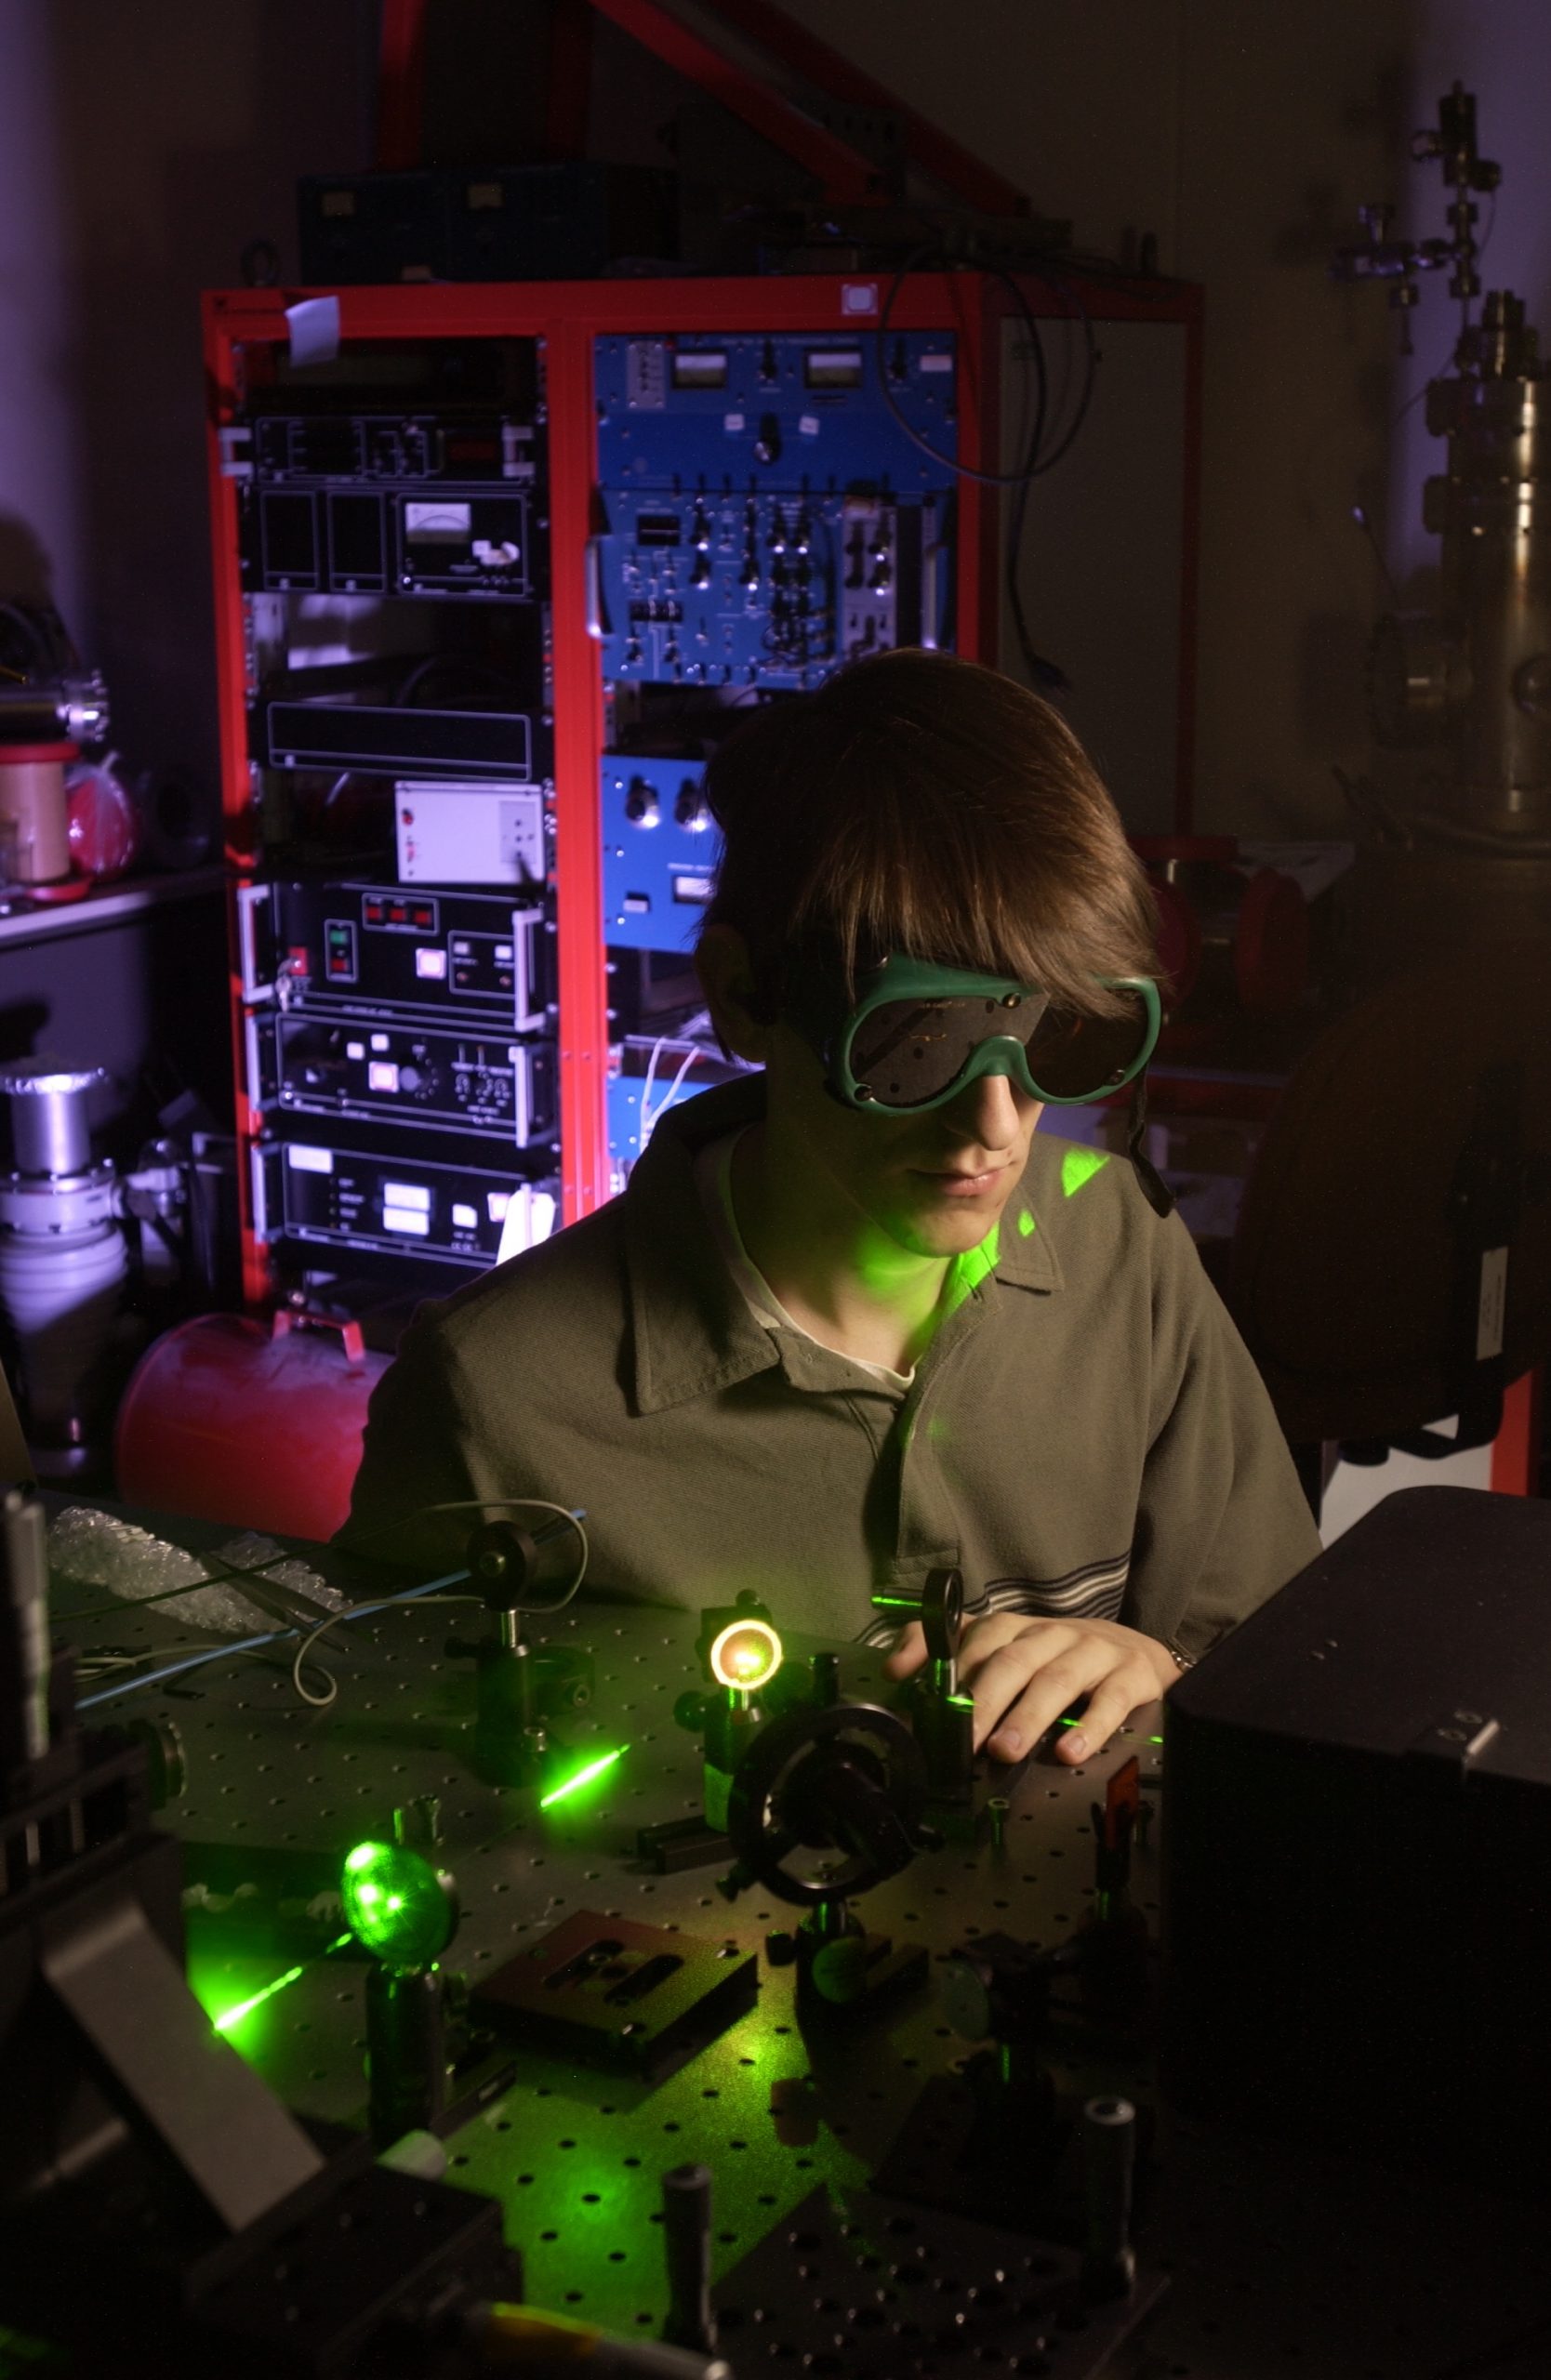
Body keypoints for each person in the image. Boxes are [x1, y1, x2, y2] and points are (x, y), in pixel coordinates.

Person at [340, 650, 1320, 1765]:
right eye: (919, 1048)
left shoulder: (1121, 1254)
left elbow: (1294, 1663)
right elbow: (390, 1793)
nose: (998, 1124)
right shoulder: (495, 1401)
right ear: (744, 999)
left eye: (1062, 1036)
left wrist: (1164, 1669)